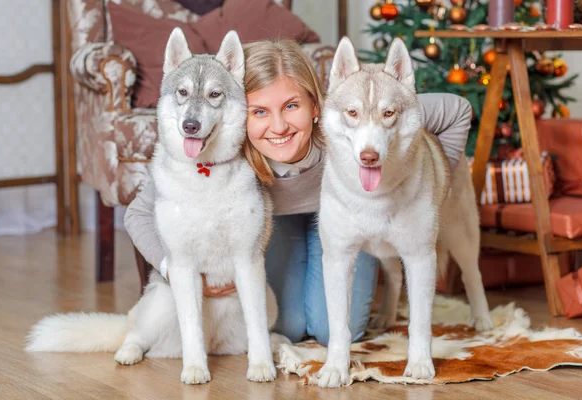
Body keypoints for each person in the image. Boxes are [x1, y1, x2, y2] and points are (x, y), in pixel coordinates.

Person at [124, 39, 473, 347]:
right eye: (260, 112)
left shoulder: (353, 121)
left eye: (292, 106)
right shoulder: (226, 149)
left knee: (335, 329)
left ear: (317, 105)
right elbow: (137, 214)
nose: (278, 126)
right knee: (286, 326)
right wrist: (172, 268)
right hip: (283, 227)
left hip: (344, 228)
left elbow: (457, 111)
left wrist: (431, 189)